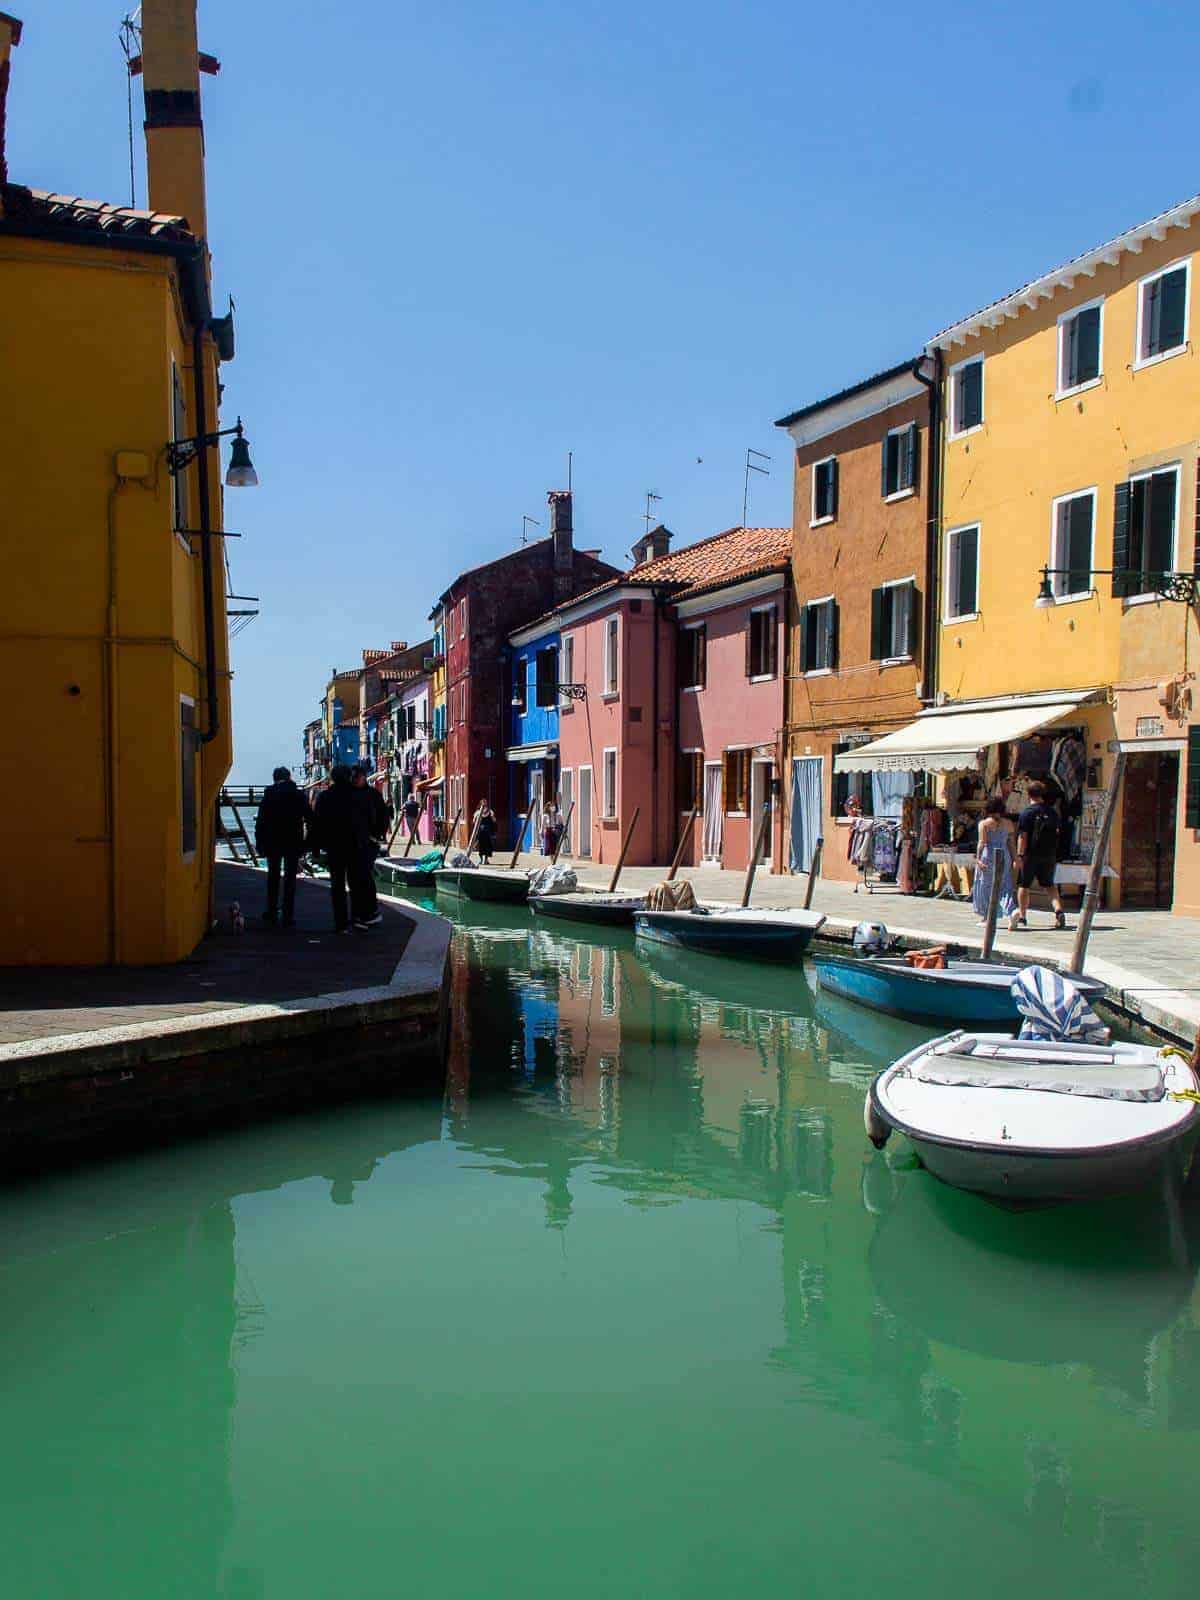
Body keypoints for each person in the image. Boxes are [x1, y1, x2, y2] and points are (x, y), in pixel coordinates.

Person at [311, 765, 379, 932]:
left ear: (333, 778)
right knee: (356, 884)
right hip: (357, 846)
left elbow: (317, 824)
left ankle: (341, 923)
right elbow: (371, 820)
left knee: (337, 885)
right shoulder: (360, 796)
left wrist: (315, 849)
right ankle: (357, 918)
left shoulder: (324, 797)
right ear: (349, 777)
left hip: (334, 847)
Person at [255, 766, 311, 928]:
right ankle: (288, 915)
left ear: (275, 778)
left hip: (273, 841)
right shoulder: (298, 795)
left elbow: (261, 822)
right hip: (293, 841)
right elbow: (309, 817)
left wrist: (260, 843)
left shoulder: (269, 795)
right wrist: (307, 842)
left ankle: (271, 911)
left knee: (273, 876)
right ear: (289, 777)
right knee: (290, 879)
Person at [1012, 780, 1066, 931]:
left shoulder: (1027, 813)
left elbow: (1023, 836)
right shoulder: (1052, 812)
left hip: (1030, 854)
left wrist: (1020, 856)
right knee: (1049, 885)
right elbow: (1057, 833)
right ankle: (1058, 910)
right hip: (1049, 854)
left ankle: (1022, 916)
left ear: (1028, 794)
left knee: (1024, 885)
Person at [352, 764, 389, 922]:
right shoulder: (352, 794)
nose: (354, 781)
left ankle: (370, 910)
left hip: (369, 842)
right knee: (357, 877)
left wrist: (377, 835)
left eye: (356, 778)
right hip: (355, 842)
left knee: (365, 876)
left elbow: (383, 816)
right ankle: (361, 911)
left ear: (362, 778)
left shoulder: (373, 795)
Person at [972, 796, 1016, 926]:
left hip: (989, 855)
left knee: (985, 886)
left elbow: (982, 843)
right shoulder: (1009, 823)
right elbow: (1011, 843)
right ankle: (1012, 911)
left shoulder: (984, 824)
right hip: (1004, 855)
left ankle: (988, 917)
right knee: (1004, 886)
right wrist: (1015, 858)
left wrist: (978, 858)